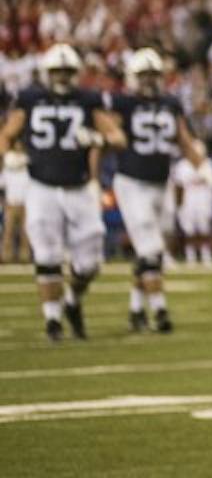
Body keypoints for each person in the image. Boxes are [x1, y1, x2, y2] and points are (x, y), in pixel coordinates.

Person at [0, 44, 126, 342]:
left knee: (89, 262)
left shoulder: (86, 100)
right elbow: (6, 134)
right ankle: (52, 319)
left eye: (67, 71)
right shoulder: (30, 99)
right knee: (46, 254)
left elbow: (118, 138)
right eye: (57, 71)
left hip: (79, 187)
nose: (62, 77)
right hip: (42, 186)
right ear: (47, 72)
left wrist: (97, 138)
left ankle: (72, 300)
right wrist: (7, 157)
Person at [109, 47, 206, 333]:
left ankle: (136, 309)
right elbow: (109, 136)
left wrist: (202, 166)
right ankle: (160, 310)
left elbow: (183, 138)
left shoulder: (170, 103)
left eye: (154, 74)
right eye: (144, 75)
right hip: (131, 181)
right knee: (151, 248)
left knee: (151, 249)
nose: (150, 80)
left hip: (161, 183)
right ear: (131, 77)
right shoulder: (122, 104)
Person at [172, 150, 212, 264]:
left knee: (205, 229)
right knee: (189, 230)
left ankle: (206, 255)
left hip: (204, 201)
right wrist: (178, 204)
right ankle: (190, 256)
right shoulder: (182, 165)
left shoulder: (208, 164)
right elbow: (178, 186)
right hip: (187, 202)